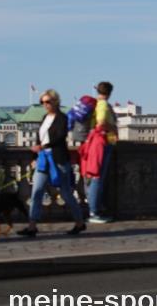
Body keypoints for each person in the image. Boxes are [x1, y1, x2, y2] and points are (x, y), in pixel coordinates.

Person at [18, 89, 85, 237]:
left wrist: (43, 146)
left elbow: (60, 137)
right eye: (42, 102)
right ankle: (32, 226)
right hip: (43, 159)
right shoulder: (44, 117)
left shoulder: (62, 118)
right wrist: (35, 156)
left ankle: (80, 222)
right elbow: (39, 138)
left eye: (47, 101)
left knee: (66, 194)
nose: (45, 104)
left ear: (55, 101)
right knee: (36, 191)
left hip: (58, 159)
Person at [86, 82, 118, 224]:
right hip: (102, 144)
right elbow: (101, 123)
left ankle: (96, 208)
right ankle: (94, 211)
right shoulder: (103, 104)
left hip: (98, 143)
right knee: (97, 177)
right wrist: (114, 129)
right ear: (110, 93)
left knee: (96, 177)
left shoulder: (97, 104)